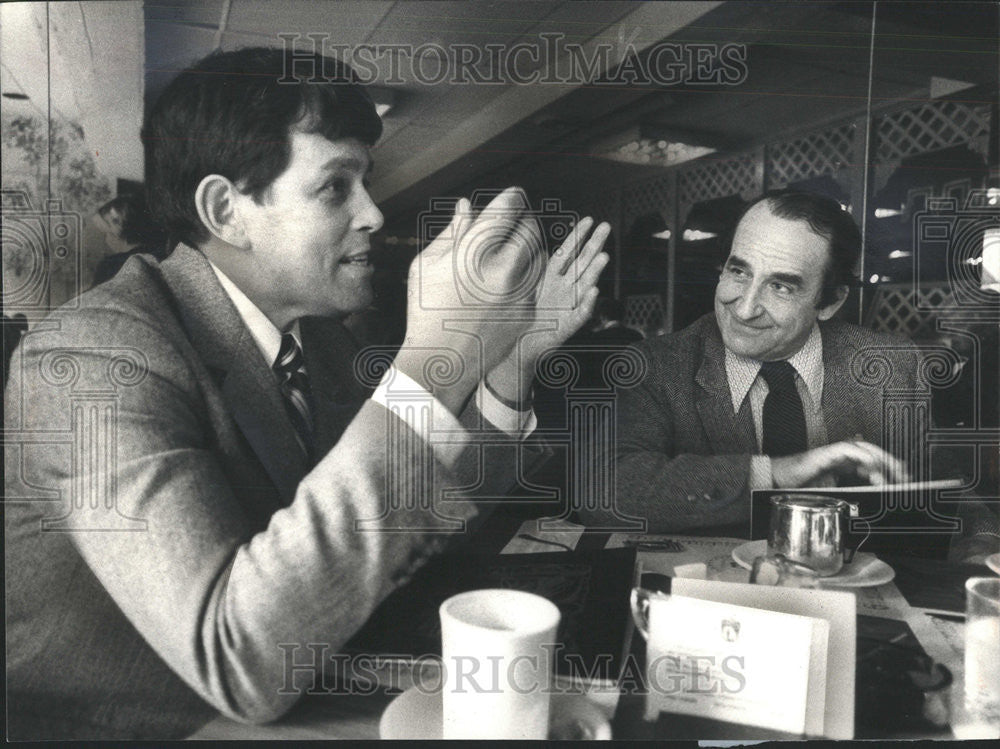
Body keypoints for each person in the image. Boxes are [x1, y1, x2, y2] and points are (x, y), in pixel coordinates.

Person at [4, 47, 610, 740]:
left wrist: (512, 364)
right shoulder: (94, 358)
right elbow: (240, 658)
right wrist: (434, 357)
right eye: (335, 187)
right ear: (226, 210)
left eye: (366, 182)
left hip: (296, 698)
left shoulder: (322, 347)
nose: (375, 214)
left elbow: (425, 524)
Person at [590, 191, 998, 560]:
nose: (744, 307)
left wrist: (981, 539)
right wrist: (779, 472)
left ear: (830, 302)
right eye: (738, 272)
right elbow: (602, 491)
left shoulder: (890, 366)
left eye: (781, 287)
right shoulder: (658, 365)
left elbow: (945, 489)